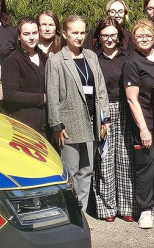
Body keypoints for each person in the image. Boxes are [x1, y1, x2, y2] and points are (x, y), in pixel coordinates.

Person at [46, 15, 109, 215]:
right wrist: (57, 125)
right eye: (74, 32)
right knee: (70, 171)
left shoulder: (91, 56)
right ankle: (69, 210)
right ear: (64, 34)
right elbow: (52, 95)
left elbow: (100, 89)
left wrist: (104, 119)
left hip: (91, 120)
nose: (79, 37)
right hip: (69, 123)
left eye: (82, 32)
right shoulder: (56, 61)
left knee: (87, 170)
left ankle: (80, 211)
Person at [123, 18, 154, 229]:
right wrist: (143, 128)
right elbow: (132, 99)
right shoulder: (132, 62)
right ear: (133, 38)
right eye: (139, 36)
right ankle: (145, 209)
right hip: (144, 120)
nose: (144, 39)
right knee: (146, 165)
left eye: (148, 35)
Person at [92, 17, 135, 221]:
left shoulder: (128, 57)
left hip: (126, 109)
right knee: (105, 158)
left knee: (125, 158)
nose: (109, 39)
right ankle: (107, 208)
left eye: (113, 35)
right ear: (98, 37)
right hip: (102, 112)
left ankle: (126, 206)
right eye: (105, 35)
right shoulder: (93, 58)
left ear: (119, 37)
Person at [1, 18, 49, 134]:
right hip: (25, 127)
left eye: (34, 33)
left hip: (46, 127)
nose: (31, 37)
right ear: (18, 36)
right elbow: (10, 95)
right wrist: (42, 98)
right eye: (26, 34)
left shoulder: (45, 58)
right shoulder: (12, 61)